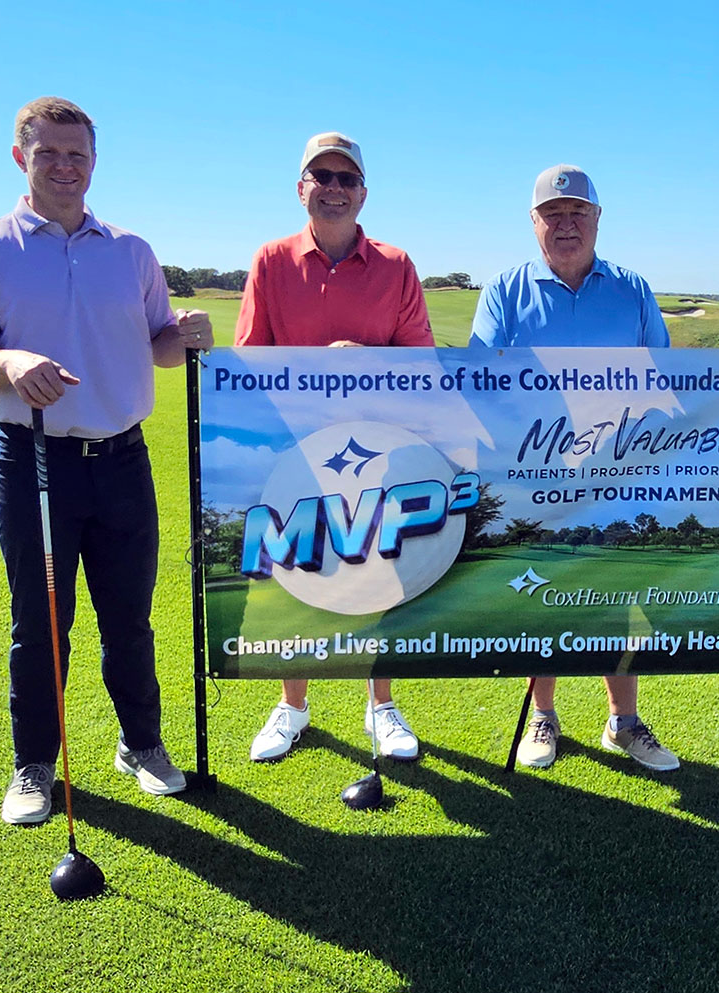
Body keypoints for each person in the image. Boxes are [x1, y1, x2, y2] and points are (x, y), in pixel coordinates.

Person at [0, 97, 214, 825]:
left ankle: (141, 744)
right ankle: (34, 763)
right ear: (20, 158)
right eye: (48, 154)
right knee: (41, 622)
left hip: (123, 460)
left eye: (77, 155)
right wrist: (9, 363)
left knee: (130, 618)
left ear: (94, 161)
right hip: (32, 460)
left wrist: (186, 335)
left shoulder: (131, 251)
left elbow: (158, 345)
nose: (65, 167)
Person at [470, 164, 678, 772]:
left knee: (621, 595)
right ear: (534, 222)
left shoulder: (632, 289)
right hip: (537, 471)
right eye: (552, 214)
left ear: (597, 218)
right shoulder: (505, 290)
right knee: (540, 595)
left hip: (616, 472)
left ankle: (624, 722)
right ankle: (543, 715)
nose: (566, 225)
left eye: (577, 213)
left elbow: (668, 377)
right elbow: (482, 381)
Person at [236, 131, 433, 763]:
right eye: (322, 176)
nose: (334, 189)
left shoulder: (396, 265)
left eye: (347, 179)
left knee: (382, 575)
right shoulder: (271, 260)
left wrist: (365, 360)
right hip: (296, 450)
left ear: (363, 193)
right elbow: (248, 361)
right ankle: (293, 705)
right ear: (302, 189)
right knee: (298, 577)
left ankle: (382, 705)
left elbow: (421, 363)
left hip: (380, 450)